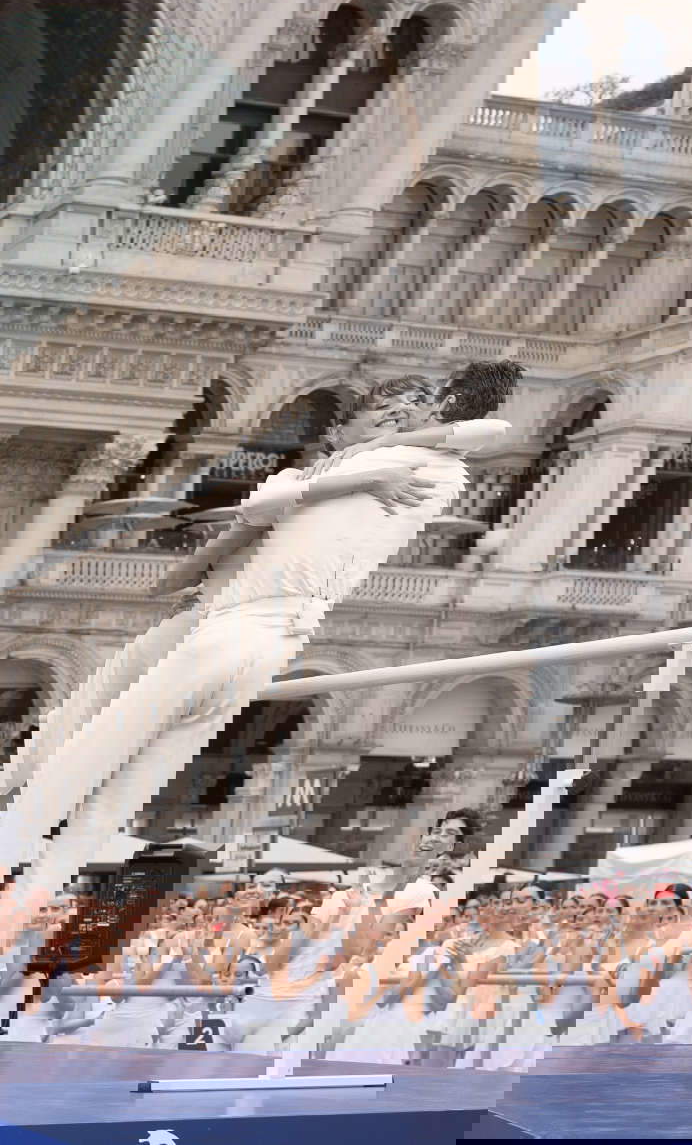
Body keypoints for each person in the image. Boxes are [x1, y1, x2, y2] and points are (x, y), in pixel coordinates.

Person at [0, 364, 521, 962]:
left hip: (246, 626)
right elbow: (257, 514)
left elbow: (489, 431)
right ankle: (22, 904)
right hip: (232, 623)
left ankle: (17, 885)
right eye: (375, 417)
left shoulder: (413, 461)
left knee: (81, 764)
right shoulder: (381, 465)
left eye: (387, 416)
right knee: (80, 759)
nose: (380, 424)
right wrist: (359, 464)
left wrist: (369, 459)